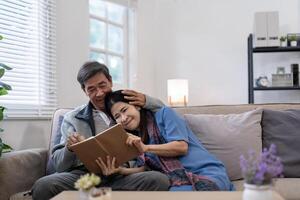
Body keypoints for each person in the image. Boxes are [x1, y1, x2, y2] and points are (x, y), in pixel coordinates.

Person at [31, 61, 170, 200]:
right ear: (84, 90)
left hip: (124, 175)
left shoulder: (128, 106)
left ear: (110, 81)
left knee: (159, 180)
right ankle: (107, 196)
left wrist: (146, 100)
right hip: (86, 178)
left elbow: (164, 113)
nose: (99, 93)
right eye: (91, 89)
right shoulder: (72, 118)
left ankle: (99, 197)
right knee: (43, 185)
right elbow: (59, 166)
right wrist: (70, 148)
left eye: (102, 85)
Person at [98, 90, 235, 191]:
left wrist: (146, 148)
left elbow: (181, 147)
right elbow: (146, 169)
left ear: (137, 106)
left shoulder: (164, 114)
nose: (123, 118)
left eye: (125, 110)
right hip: (178, 182)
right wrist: (121, 171)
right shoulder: (134, 138)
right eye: (117, 116)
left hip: (206, 172)